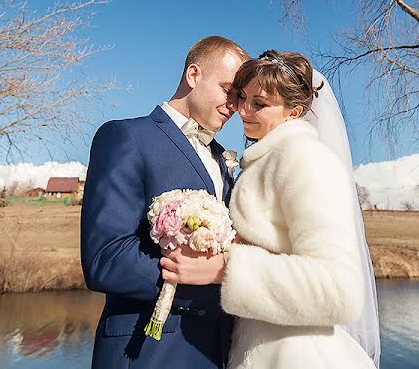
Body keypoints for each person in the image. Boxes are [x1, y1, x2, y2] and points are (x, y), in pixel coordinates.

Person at [161, 50, 380, 368]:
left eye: (259, 104)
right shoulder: (265, 162)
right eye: (243, 98)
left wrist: (225, 269)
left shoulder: (306, 159)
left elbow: (339, 290)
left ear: (294, 111)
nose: (243, 111)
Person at [81, 35, 249, 369]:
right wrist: (207, 278)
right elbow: (105, 258)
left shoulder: (224, 160)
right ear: (194, 75)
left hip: (217, 352)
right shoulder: (127, 137)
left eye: (240, 97)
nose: (235, 105)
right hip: (147, 351)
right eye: (228, 90)